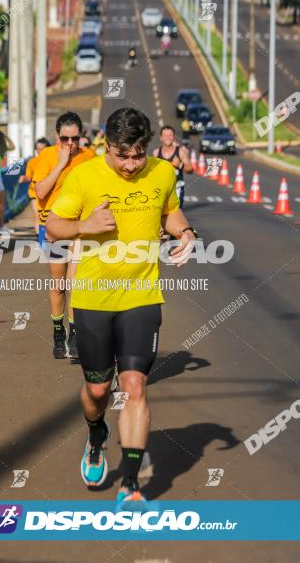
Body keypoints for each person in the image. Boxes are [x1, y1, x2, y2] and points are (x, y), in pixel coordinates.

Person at [46, 107, 197, 503]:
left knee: (134, 387)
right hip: (94, 299)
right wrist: (83, 226)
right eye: (121, 155)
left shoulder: (162, 173)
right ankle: (97, 436)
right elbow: (54, 226)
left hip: (141, 297)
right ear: (107, 147)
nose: (130, 164)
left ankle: (130, 485)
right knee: (97, 390)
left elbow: (170, 211)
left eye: (137, 155)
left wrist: (186, 232)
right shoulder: (84, 176)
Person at [30, 112, 96, 359]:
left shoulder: (89, 158)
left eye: (75, 138)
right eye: (65, 138)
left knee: (75, 285)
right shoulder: (46, 156)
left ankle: (75, 333)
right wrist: (60, 163)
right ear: (57, 136)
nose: (70, 144)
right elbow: (41, 192)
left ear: (81, 136)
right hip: (55, 231)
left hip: (79, 230)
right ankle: (58, 331)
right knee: (58, 286)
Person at [153, 126, 193, 206]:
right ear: (161, 138)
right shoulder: (156, 153)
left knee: (176, 213)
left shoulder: (180, 152)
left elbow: (190, 169)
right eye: (165, 135)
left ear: (174, 137)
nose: (168, 137)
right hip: (161, 189)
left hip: (177, 188)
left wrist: (180, 165)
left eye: (170, 135)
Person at [22, 137, 51, 234]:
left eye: (42, 149)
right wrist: (24, 178)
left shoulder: (53, 160)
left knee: (48, 216)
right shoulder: (32, 162)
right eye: (38, 149)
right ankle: (40, 239)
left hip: (49, 192)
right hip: (34, 192)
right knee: (37, 215)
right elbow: (28, 176)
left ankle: (49, 236)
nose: (40, 151)